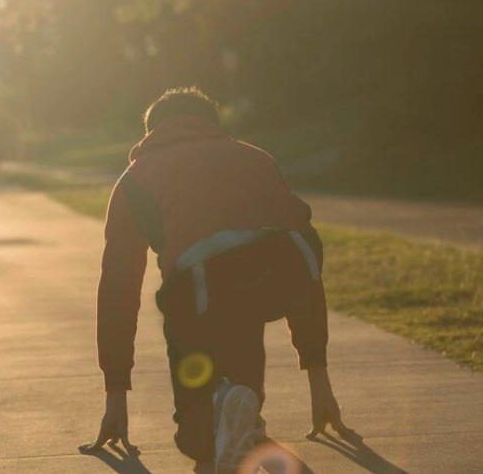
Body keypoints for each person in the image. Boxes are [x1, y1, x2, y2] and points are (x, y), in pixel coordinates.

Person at [79, 87, 352, 473]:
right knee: (241, 384)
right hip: (284, 273)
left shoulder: (134, 179)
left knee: (198, 441)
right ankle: (239, 410)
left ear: (150, 133)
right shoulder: (256, 158)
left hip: (200, 285)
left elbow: (118, 290)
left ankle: (223, 407)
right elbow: (303, 257)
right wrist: (319, 380)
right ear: (213, 126)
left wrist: (116, 394)